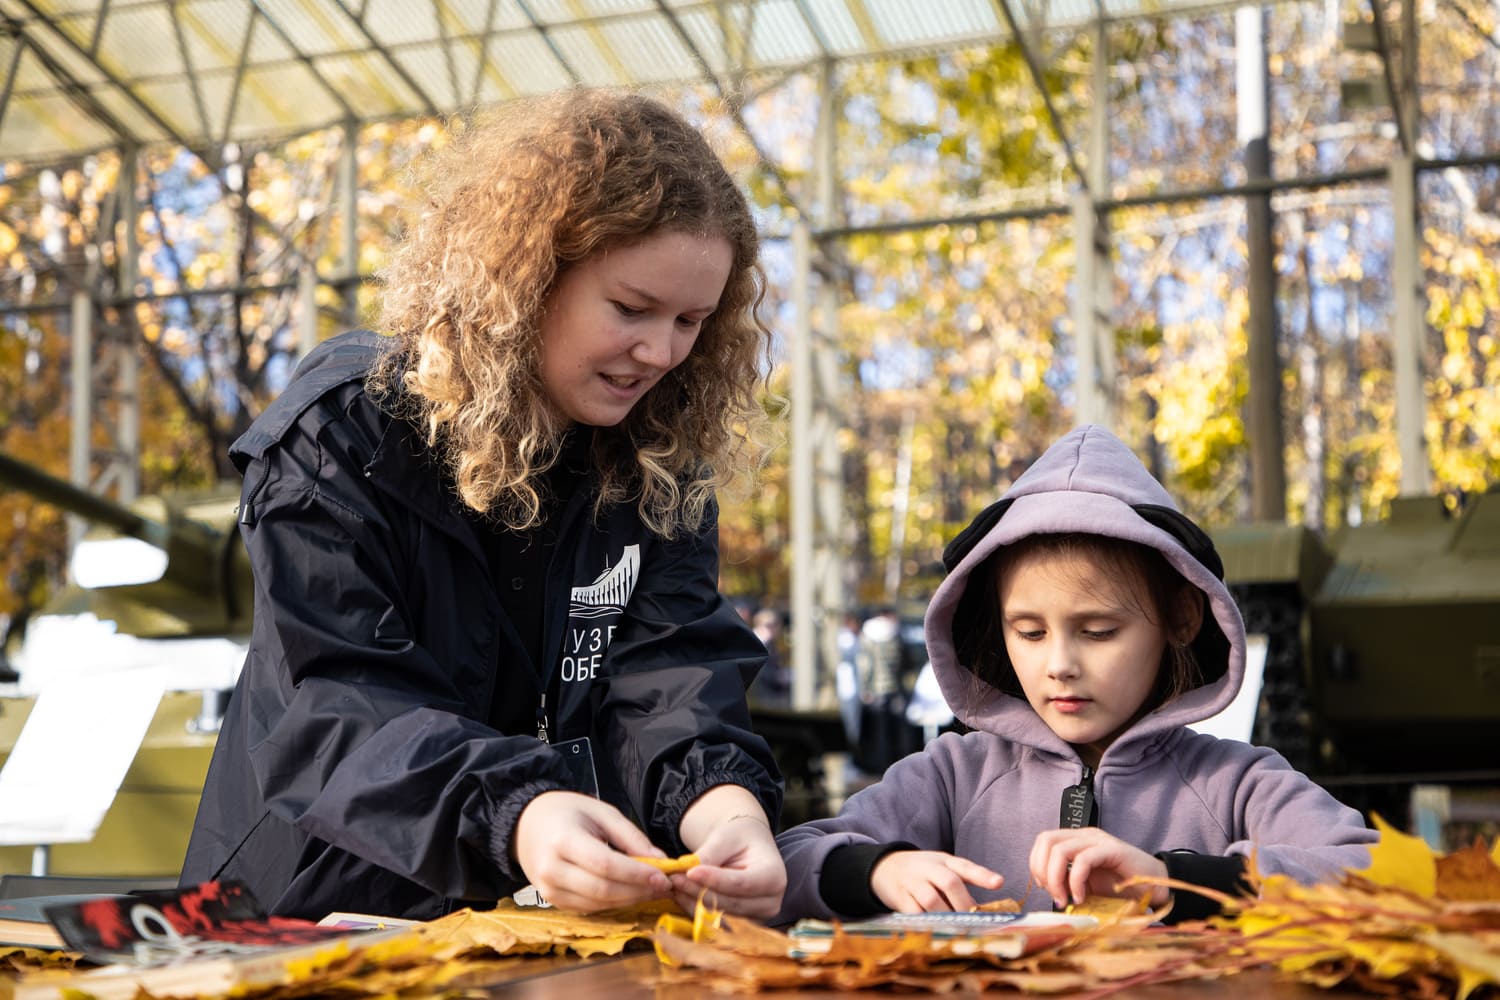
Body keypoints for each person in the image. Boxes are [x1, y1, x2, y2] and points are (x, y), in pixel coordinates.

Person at [180, 89, 786, 922]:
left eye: (692, 320)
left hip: (515, 921)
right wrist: (519, 811)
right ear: (529, 276)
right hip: (304, 907)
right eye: (631, 309)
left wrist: (722, 807)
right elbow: (338, 698)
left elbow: (671, 675)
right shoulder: (341, 435)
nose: (661, 352)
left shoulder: (660, 467)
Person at [775, 425, 1376, 924]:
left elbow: (1374, 874)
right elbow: (788, 861)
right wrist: (877, 870)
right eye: (1029, 633)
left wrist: (1177, 881)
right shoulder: (953, 776)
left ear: (1183, 619)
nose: (1058, 665)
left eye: (1098, 632)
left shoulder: (1238, 782)